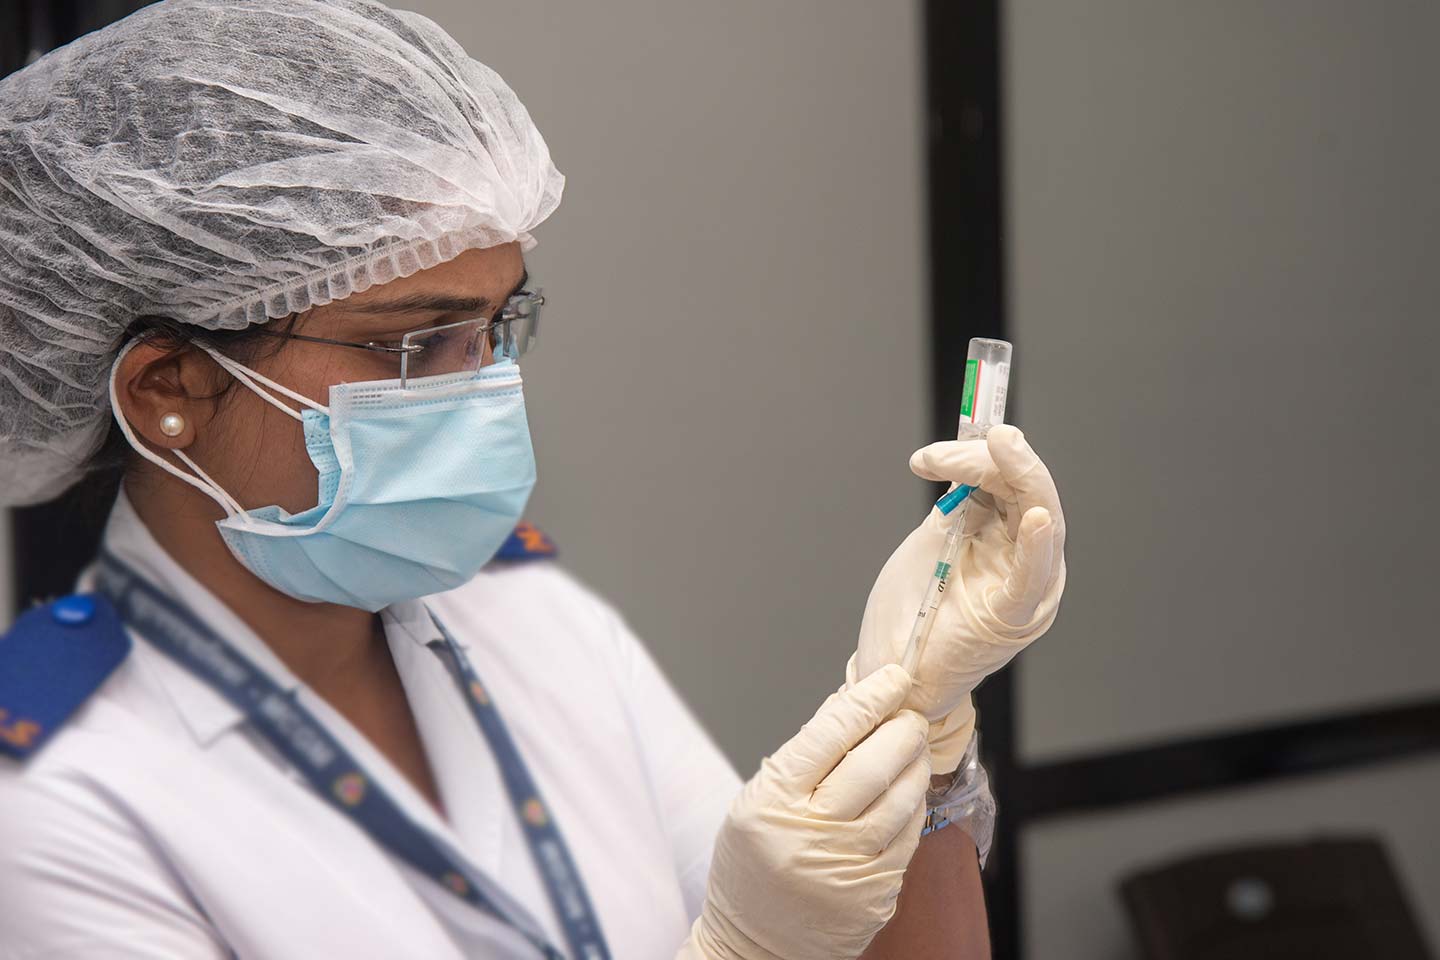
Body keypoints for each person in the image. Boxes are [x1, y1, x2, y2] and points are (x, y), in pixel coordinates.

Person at [0, 2, 1066, 958]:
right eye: (418, 345)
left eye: (500, 324)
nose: (487, 388)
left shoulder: (538, 625)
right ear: (168, 389)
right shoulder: (55, 805)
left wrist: (921, 733)